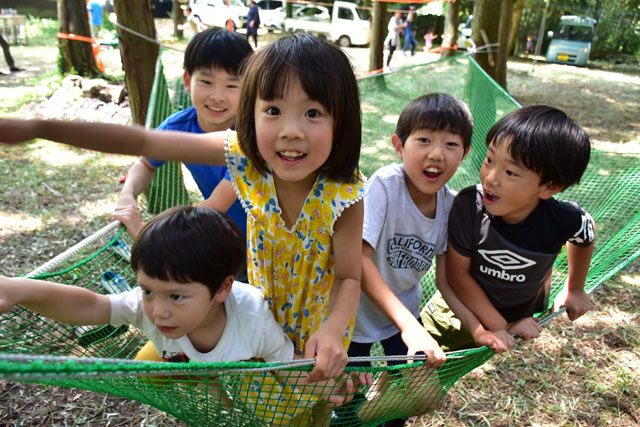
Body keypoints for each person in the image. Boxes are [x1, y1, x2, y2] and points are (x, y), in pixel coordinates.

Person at [0, 33, 365, 386]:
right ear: (250, 113)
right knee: (255, 396)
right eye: (272, 109)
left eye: (313, 112)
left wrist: (332, 329)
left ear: (342, 120)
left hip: (321, 326)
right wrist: (40, 128)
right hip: (260, 311)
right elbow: (144, 141)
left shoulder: (343, 193)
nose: (290, 131)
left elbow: (349, 276)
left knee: (312, 400)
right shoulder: (246, 157)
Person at [0, 205, 366, 425]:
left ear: (222, 289)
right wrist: (17, 289)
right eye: (147, 290)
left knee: (266, 412)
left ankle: (209, 381)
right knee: (148, 369)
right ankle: (197, 379)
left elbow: (289, 372)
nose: (158, 310)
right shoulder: (150, 307)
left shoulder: (253, 322)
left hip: (236, 366)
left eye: (176, 296)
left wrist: (329, 386)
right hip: (171, 356)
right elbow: (90, 306)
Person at [338, 94, 508, 427]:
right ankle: (350, 418)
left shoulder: (451, 205)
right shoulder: (385, 186)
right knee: (346, 395)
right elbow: (359, 261)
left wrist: (477, 330)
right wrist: (411, 326)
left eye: (451, 144)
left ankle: (366, 417)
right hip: (352, 315)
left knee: (421, 394)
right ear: (399, 145)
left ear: (465, 155)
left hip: (402, 316)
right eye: (424, 140)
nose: (436, 153)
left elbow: (447, 281)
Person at [423, 105, 596, 351]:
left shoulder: (561, 220)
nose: (491, 178)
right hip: (454, 318)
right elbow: (457, 277)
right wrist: (503, 326)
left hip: (507, 326)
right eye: (489, 159)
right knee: (409, 378)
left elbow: (585, 231)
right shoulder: (470, 206)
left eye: (511, 172)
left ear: (549, 187)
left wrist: (575, 288)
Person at [113, 29, 252, 252]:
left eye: (231, 85)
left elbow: (216, 205)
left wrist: (146, 229)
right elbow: (145, 164)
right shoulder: (178, 127)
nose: (217, 96)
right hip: (226, 243)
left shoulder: (250, 136)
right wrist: (127, 195)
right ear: (187, 81)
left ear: (248, 88)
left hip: (271, 245)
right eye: (206, 81)